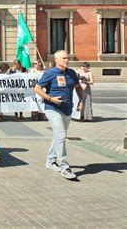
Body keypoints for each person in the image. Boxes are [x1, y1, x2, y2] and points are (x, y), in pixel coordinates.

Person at [34, 50, 84, 180]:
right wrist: (50, 99)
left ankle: (50, 161)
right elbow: (37, 88)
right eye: (64, 58)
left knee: (58, 136)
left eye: (67, 58)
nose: (66, 60)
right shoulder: (50, 73)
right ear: (56, 60)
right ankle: (64, 167)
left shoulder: (72, 73)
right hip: (53, 108)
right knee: (61, 135)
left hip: (67, 109)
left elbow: (78, 87)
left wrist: (81, 100)